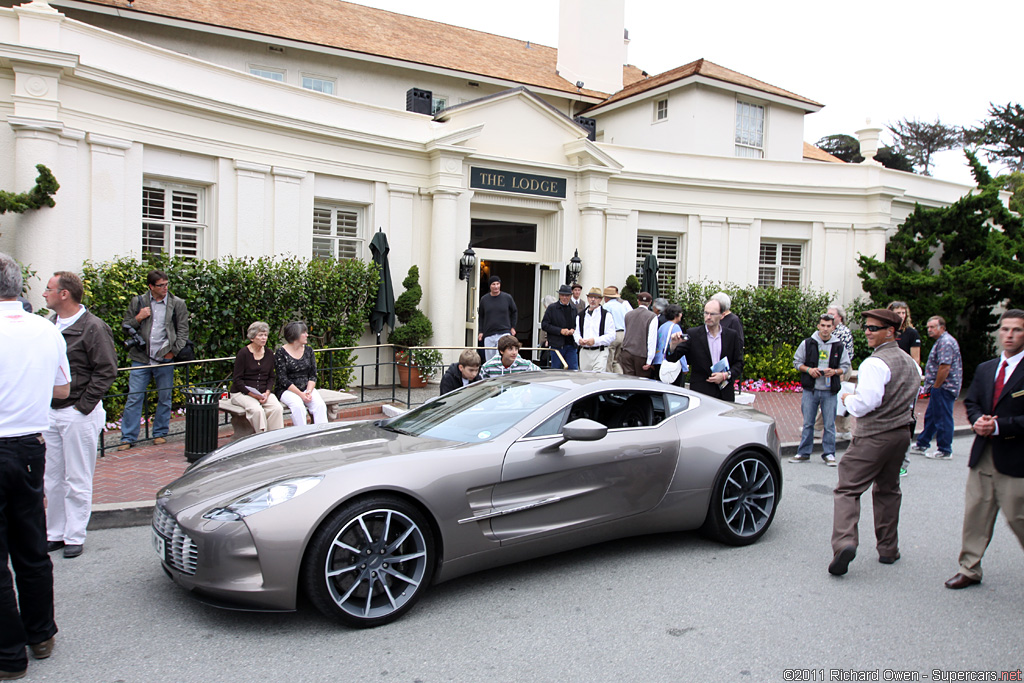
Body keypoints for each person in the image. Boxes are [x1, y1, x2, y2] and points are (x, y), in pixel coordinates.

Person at [0, 252, 70, 679]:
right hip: (29, 447)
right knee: (31, 545)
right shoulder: (47, 331)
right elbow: (62, 389)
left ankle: (9, 654)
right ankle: (41, 634)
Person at [828, 308, 919, 576]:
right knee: (889, 489)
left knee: (847, 489)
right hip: (901, 433)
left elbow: (867, 403)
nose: (866, 332)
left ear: (890, 331)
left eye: (872, 329)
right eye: (866, 328)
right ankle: (888, 549)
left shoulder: (874, 363)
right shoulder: (910, 363)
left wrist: (847, 400)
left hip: (874, 434)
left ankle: (844, 543)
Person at [943, 309, 1024, 590]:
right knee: (976, 512)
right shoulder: (987, 368)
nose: (1010, 335)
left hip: (1016, 458)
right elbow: (973, 401)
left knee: (1017, 516)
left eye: (1017, 330)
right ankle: (969, 568)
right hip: (983, 455)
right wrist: (978, 420)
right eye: (1005, 329)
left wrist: (1001, 426)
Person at [41, 271, 117, 560]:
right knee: (52, 477)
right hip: (51, 412)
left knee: (77, 476)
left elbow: (106, 370)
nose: (44, 294)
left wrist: (82, 407)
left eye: (49, 289)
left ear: (64, 294)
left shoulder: (93, 327)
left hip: (77, 413)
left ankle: (74, 535)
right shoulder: (49, 326)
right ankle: (55, 533)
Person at [118, 269, 189, 450]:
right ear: (151, 286)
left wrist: (173, 352)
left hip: (165, 357)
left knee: (164, 397)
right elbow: (125, 326)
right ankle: (128, 437)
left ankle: (160, 433)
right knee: (134, 397)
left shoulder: (177, 303)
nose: (165, 288)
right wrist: (138, 318)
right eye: (161, 285)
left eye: (166, 284)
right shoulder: (138, 302)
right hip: (141, 358)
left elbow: (183, 331)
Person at [789, 313, 851, 466]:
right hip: (811, 389)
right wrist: (809, 370)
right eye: (822, 325)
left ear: (833, 328)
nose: (825, 329)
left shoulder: (838, 345)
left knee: (829, 424)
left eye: (828, 326)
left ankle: (829, 454)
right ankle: (803, 452)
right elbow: (797, 362)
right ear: (818, 326)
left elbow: (845, 366)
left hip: (829, 390)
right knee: (808, 423)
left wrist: (834, 372)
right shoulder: (808, 343)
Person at [666, 298, 743, 402]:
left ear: (722, 315)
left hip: (724, 393)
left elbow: (739, 363)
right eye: (706, 313)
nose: (708, 317)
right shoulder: (693, 334)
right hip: (701, 393)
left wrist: (725, 375)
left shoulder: (731, 335)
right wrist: (673, 345)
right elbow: (672, 358)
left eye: (712, 314)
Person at [909, 316, 962, 460]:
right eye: (928, 327)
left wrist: (937, 386)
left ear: (942, 328)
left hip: (944, 387)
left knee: (943, 417)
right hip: (940, 387)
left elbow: (944, 367)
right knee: (932, 416)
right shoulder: (942, 341)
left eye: (932, 327)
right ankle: (922, 443)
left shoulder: (945, 342)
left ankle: (945, 449)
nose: (929, 330)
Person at [230, 322, 284, 434]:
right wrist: (253, 395)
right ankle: (262, 439)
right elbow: (237, 380)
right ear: (252, 337)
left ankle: (275, 439)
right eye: (260, 335)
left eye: (265, 335)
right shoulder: (243, 353)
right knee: (257, 410)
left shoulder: (269, 353)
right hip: (242, 393)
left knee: (277, 408)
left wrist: (267, 392)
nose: (264, 338)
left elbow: (271, 377)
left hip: (263, 392)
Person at [274, 321, 327, 427]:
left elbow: (313, 375)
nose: (307, 335)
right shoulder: (281, 353)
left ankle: (322, 433)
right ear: (295, 334)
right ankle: (302, 436)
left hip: (306, 388)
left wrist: (308, 391)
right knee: (298, 407)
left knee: (320, 405)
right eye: (304, 332)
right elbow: (283, 379)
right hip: (287, 389)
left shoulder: (309, 350)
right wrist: (300, 394)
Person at [573, 287, 615, 372]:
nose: (593, 300)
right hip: (584, 352)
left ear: (600, 300)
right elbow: (576, 332)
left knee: (597, 376)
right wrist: (579, 340)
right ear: (587, 298)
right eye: (591, 297)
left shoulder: (606, 315)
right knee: (585, 378)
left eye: (596, 297)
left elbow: (611, 336)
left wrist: (595, 341)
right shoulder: (581, 315)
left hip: (600, 351)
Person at [477, 275, 517, 362]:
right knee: (490, 360)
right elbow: (481, 316)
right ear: (490, 286)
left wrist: (513, 327)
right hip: (489, 333)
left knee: (502, 357)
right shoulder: (484, 299)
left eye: (497, 284)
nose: (496, 286)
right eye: (493, 284)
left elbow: (514, 311)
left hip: (504, 332)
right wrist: (480, 331)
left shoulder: (507, 298)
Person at [620, 292, 659, 378]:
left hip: (627, 352)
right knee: (642, 383)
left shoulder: (628, 314)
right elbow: (651, 339)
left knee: (628, 381)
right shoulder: (652, 316)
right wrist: (649, 360)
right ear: (650, 302)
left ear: (638, 301)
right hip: (641, 355)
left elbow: (626, 333)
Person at [540, 284, 579, 370]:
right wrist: (560, 331)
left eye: (567, 295)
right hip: (557, 345)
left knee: (573, 370)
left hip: (571, 345)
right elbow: (545, 325)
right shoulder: (552, 308)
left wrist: (573, 330)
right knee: (556, 371)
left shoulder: (574, 309)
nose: (564, 297)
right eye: (562, 295)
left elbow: (577, 325)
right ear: (559, 295)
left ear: (570, 296)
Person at [652, 304, 687, 384]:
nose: (681, 315)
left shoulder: (662, 327)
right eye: (680, 313)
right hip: (669, 363)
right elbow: (678, 347)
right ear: (676, 315)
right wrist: (685, 367)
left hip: (658, 361)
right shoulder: (675, 327)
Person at [602, 285, 632, 373]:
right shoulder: (622, 306)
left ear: (606, 297)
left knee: (608, 360)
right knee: (616, 361)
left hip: (613, 334)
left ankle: (608, 380)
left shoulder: (606, 306)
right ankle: (619, 377)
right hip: (623, 334)